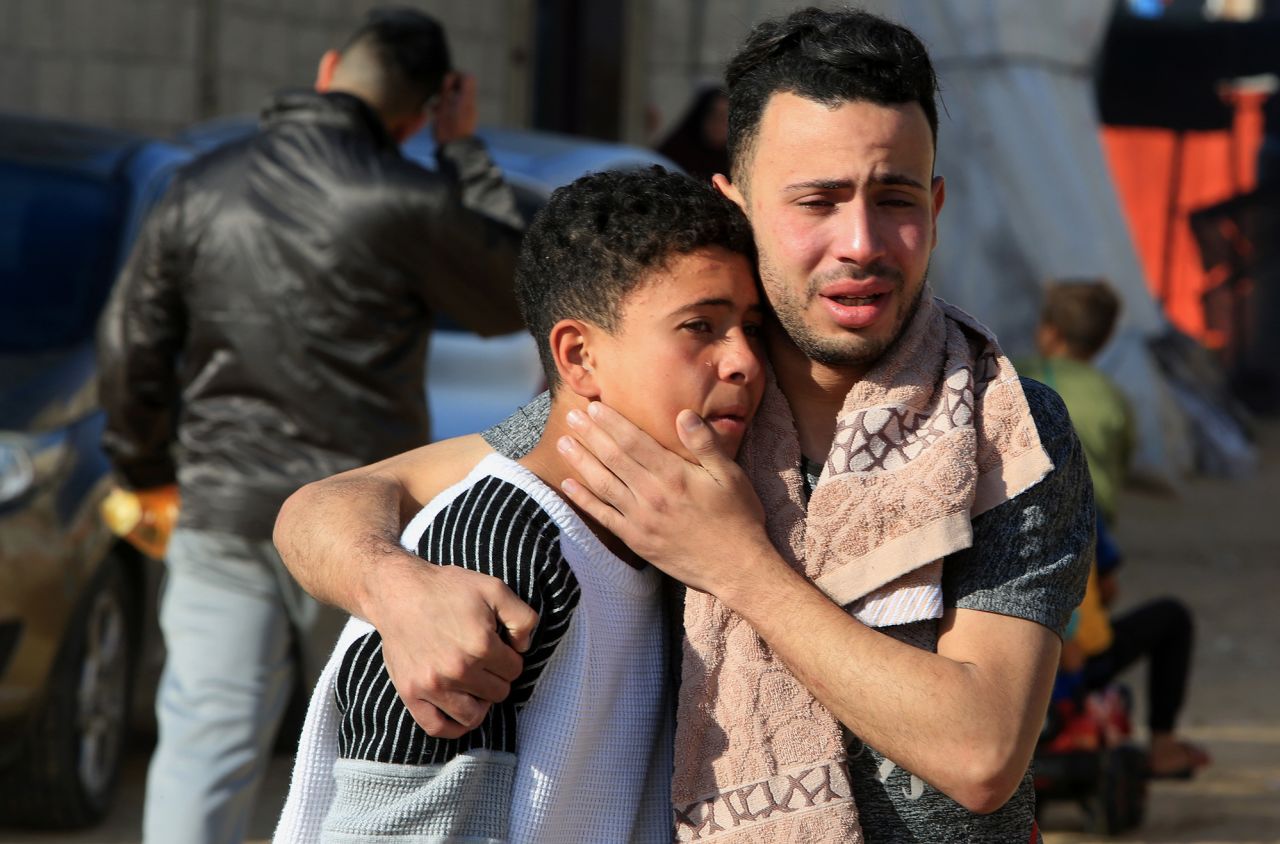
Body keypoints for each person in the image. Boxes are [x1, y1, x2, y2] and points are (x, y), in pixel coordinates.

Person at [273, 8, 1093, 841]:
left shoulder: (1003, 427)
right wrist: (396, 586)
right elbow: (340, 500)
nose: (862, 243)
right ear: (736, 206)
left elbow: (982, 752)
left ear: (937, 202)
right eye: (817, 200)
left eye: (896, 198)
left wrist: (738, 565)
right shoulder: (691, 400)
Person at [96, 8, 525, 843]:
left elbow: (131, 344)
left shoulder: (200, 183)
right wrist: (462, 150)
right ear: (430, 105)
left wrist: (146, 471)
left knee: (204, 744)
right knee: (372, 750)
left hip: (222, 508)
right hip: (360, 528)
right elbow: (512, 292)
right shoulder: (408, 199)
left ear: (329, 68)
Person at [274, 166, 763, 842]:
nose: (744, 360)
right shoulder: (494, 555)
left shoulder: (655, 531)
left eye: (753, 328)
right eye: (700, 326)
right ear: (578, 355)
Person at [1022, 279, 1208, 779]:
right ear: (1103, 341)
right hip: (1086, 543)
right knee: (1161, 616)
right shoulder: (1113, 401)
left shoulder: (1017, 381)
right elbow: (1119, 471)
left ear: (1049, 333)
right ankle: (1163, 744)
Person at [656, 85, 731, 182]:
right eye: (714, 115)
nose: (718, 123)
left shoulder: (738, 164)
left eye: (726, 118)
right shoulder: (673, 154)